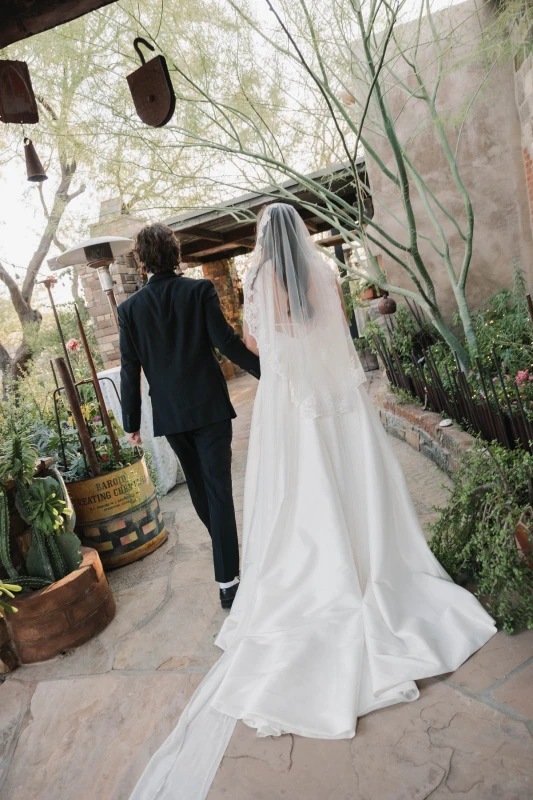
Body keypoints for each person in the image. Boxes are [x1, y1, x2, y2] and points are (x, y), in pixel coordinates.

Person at [129, 204, 496, 800]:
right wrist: (280, 364)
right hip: (318, 394)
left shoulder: (242, 279)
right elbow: (300, 335)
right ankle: (315, 565)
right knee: (330, 479)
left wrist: (272, 370)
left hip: (249, 404)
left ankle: (245, 575)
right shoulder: (315, 271)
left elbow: (244, 340)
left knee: (256, 492)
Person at [118, 223, 260, 609]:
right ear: (175, 253)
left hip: (171, 414)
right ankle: (228, 579)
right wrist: (267, 372)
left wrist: (131, 422)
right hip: (209, 407)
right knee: (217, 490)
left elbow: (129, 369)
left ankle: (227, 565)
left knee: (201, 488)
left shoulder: (129, 309)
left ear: (142, 261)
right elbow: (226, 342)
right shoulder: (198, 291)